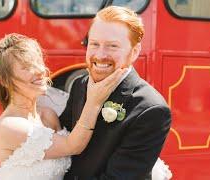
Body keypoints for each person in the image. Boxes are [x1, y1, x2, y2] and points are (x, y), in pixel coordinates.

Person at [0, 33, 127, 180]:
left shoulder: (49, 115)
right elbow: (72, 146)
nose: (40, 70)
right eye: (27, 67)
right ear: (4, 80)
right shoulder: (7, 127)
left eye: (38, 62)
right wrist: (94, 102)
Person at [60, 6, 172, 180]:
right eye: (94, 44)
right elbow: (63, 140)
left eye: (112, 46)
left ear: (134, 52)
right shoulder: (80, 85)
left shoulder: (151, 109)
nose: (100, 54)